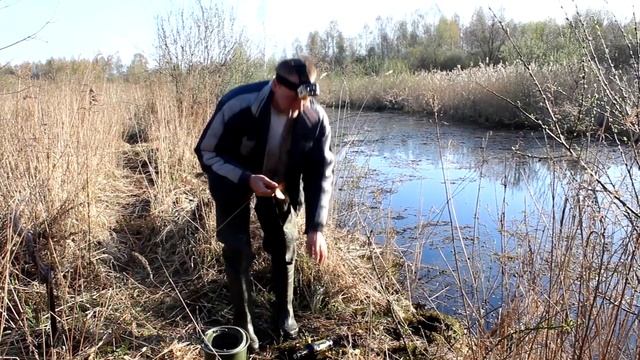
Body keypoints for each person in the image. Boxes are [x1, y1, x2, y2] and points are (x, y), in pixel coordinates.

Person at [194, 58, 334, 352]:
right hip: (234, 181)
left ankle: (284, 315)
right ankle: (243, 323)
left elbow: (320, 172)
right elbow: (206, 151)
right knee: (238, 248)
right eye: (292, 99)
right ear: (274, 86)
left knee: (285, 242)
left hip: (279, 186)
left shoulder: (315, 119)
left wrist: (316, 227)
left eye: (304, 101)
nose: (298, 107)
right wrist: (246, 178)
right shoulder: (238, 105)